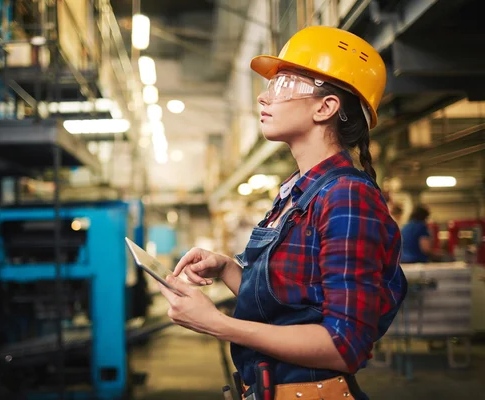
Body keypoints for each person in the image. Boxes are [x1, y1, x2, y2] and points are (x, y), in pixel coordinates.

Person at [157, 26, 407, 400]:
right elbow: (290, 304)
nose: (263, 97)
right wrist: (226, 267)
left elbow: (344, 346)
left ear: (325, 107)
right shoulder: (297, 192)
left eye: (284, 85)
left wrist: (219, 324)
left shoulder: (346, 196)